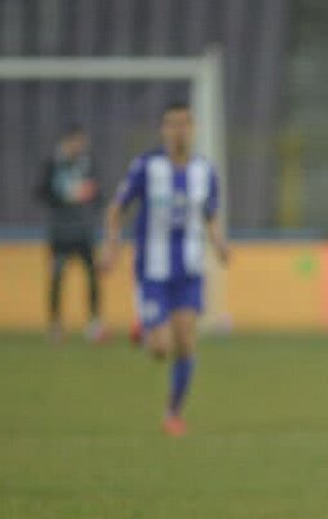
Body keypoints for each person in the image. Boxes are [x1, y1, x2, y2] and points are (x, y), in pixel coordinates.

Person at [102, 102, 230, 436]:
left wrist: (218, 243)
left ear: (194, 128)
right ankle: (146, 328)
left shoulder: (205, 170)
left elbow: (211, 213)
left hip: (188, 269)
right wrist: (112, 246)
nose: (179, 130)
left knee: (187, 342)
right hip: (152, 270)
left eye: (184, 124)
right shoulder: (146, 167)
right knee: (161, 349)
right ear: (163, 130)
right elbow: (117, 209)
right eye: (172, 124)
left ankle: (173, 413)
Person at [37, 125, 103, 342]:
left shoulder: (88, 165)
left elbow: (98, 193)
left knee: (93, 276)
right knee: (57, 277)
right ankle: (55, 325)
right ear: (67, 141)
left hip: (83, 232)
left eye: (82, 142)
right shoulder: (53, 164)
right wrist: (66, 194)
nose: (79, 146)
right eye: (76, 141)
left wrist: (91, 194)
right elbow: (40, 192)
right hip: (60, 233)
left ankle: (94, 324)